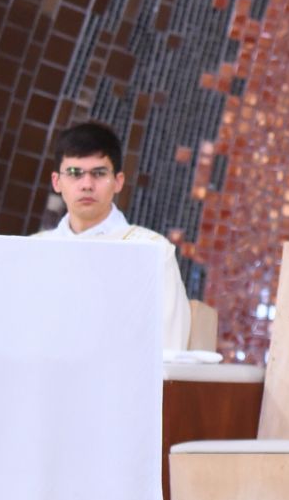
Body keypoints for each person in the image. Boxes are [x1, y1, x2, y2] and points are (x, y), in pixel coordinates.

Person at [37, 121, 191, 352]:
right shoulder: (34, 250)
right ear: (57, 182)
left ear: (118, 181)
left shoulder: (152, 251)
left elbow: (169, 350)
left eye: (98, 174)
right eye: (74, 173)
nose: (87, 184)